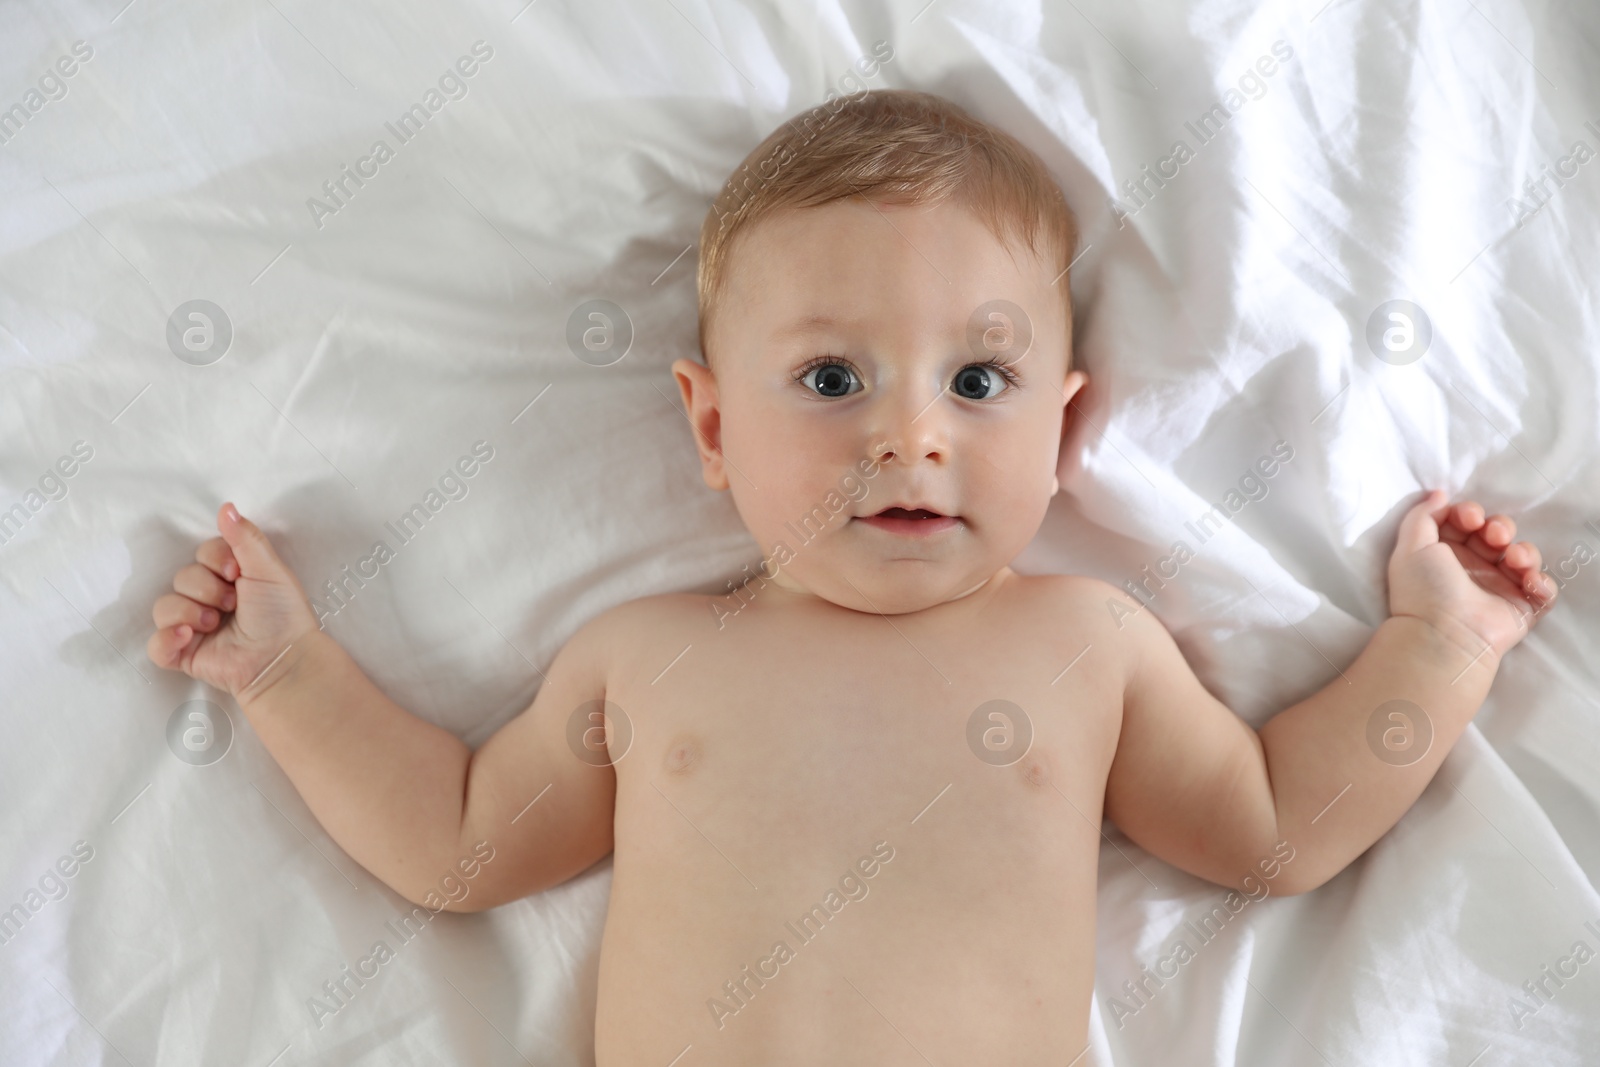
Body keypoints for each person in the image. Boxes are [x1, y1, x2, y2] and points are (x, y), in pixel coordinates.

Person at [146, 89, 1556, 1064]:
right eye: (832, 378)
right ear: (711, 426)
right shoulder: (644, 658)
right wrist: (286, 673)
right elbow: (463, 845)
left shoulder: (1089, 645)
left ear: (1063, 428)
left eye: (978, 378)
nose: (910, 432)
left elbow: (1264, 830)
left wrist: (1440, 650)